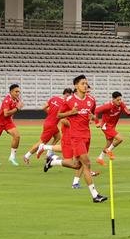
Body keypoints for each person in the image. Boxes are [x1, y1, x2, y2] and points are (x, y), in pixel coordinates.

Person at [44, 75, 109, 203]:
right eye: (82, 83)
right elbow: (59, 115)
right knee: (87, 164)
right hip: (76, 136)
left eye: (86, 83)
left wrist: (92, 117)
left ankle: (52, 162)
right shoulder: (69, 100)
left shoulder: (91, 99)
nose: (85, 85)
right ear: (76, 85)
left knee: (77, 164)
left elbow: (93, 114)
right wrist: (71, 113)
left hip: (87, 135)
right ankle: (95, 195)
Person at [26, 88, 71, 165]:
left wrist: (51, 114)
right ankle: (27, 156)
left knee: (58, 137)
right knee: (41, 142)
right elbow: (63, 117)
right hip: (51, 125)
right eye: (70, 96)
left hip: (48, 122)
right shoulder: (65, 103)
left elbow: (43, 107)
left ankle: (49, 153)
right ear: (67, 95)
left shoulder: (54, 98)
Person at [94, 91, 130, 166]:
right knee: (120, 139)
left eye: (120, 99)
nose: (119, 101)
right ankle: (108, 151)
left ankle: (100, 158)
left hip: (112, 127)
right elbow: (96, 111)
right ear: (113, 99)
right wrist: (97, 122)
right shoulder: (108, 106)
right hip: (106, 126)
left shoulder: (121, 104)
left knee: (109, 144)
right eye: (118, 100)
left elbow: (127, 111)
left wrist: (128, 112)